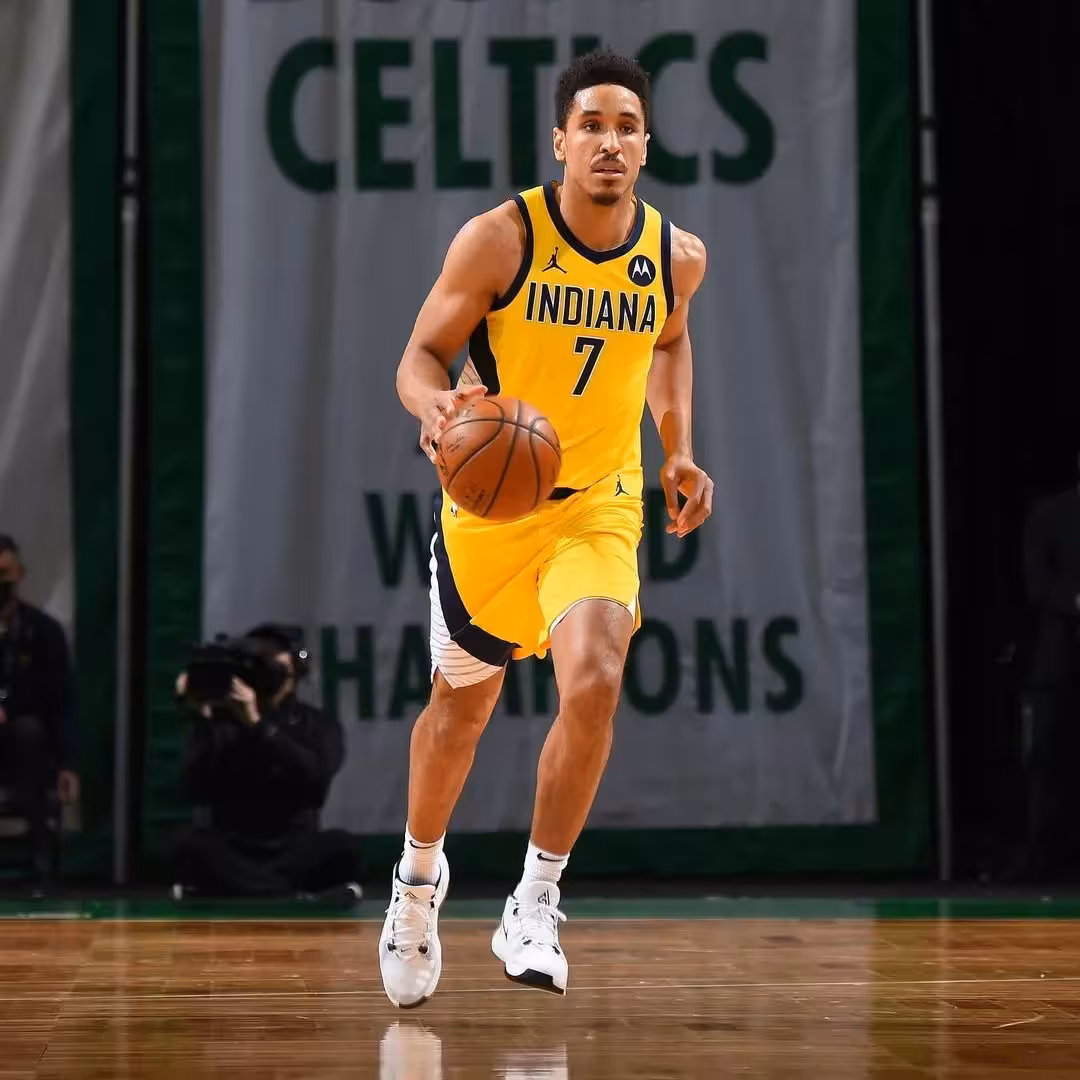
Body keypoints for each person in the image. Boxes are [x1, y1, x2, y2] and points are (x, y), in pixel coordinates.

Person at [379, 51, 711, 1007]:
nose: (609, 141)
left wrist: (678, 449)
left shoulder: (675, 256)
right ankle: (417, 881)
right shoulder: (500, 239)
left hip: (599, 501)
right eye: (592, 125)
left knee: (596, 679)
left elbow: (670, 341)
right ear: (560, 140)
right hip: (492, 509)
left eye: (626, 126)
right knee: (459, 716)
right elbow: (419, 356)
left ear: (646, 146)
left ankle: (535, 899)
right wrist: (437, 409)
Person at [173, 624, 363, 903]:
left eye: (273, 662)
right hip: (234, 849)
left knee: (343, 846)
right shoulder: (220, 721)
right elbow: (192, 788)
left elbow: (315, 784)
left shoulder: (315, 723)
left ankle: (241, 893)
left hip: (293, 850)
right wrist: (200, 717)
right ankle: (289, 897)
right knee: (188, 845)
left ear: (297, 668)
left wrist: (257, 724)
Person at [0, 534, 78, 881]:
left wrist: (68, 764)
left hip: (25, 745)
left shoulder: (45, 632)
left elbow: (61, 700)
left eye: (4, 574)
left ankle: (40, 845)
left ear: (19, 574)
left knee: (29, 732)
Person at [1019, 454, 1080, 879]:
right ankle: (1043, 854)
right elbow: (1038, 585)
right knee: (1050, 757)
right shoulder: (1049, 514)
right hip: (1060, 661)